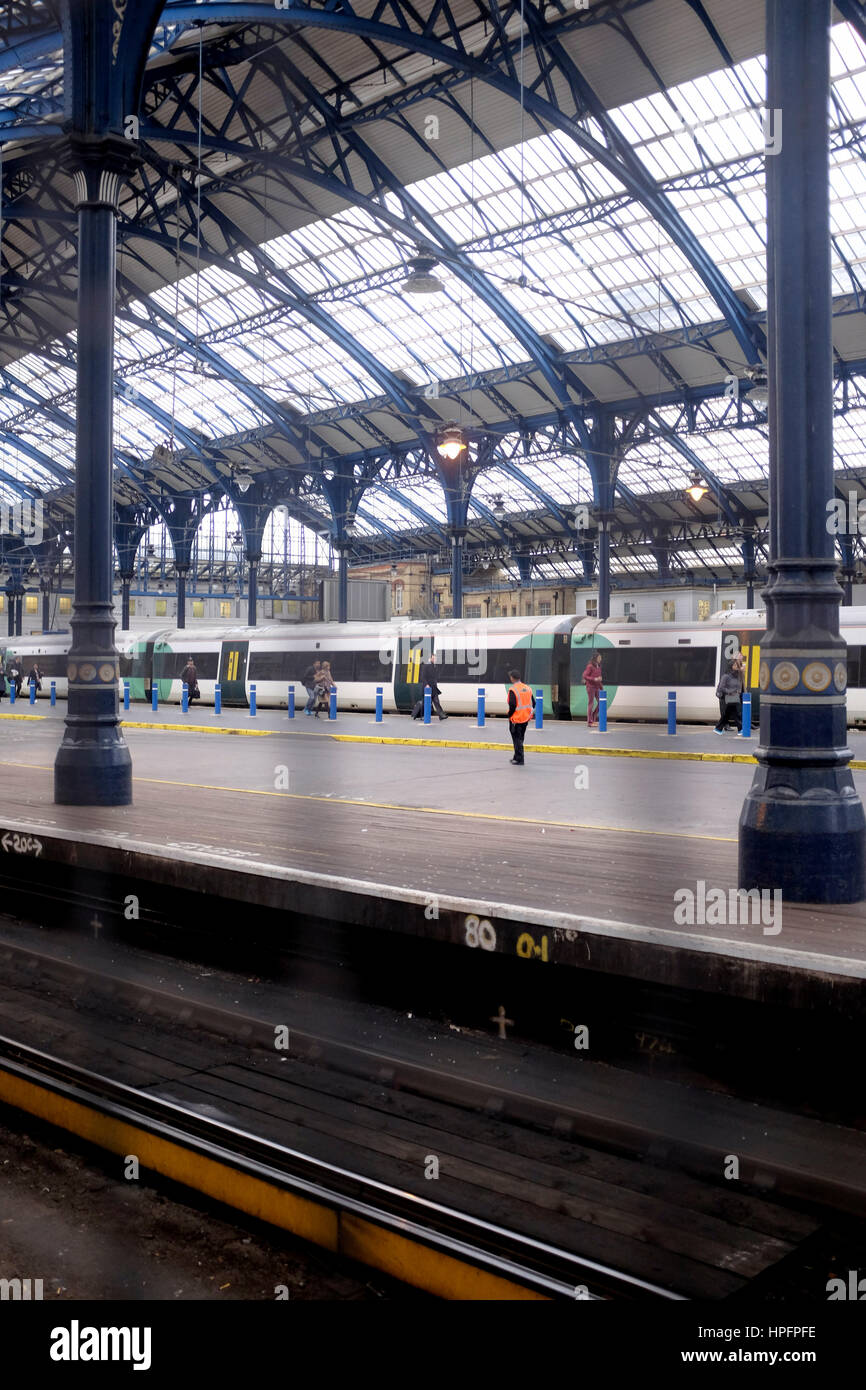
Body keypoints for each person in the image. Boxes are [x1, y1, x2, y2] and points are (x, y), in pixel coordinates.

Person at [506, 667, 533, 765]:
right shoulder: (528, 688)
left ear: (512, 678)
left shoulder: (513, 689)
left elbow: (512, 705)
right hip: (525, 718)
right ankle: (516, 756)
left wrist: (509, 714)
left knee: (517, 739)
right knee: (520, 738)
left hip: (516, 719)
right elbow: (533, 703)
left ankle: (520, 759)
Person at [412, 652, 447, 721]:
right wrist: (426, 685)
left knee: (436, 701)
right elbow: (423, 677)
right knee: (425, 703)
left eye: (435, 658)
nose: (435, 660)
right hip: (427, 688)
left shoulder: (434, 666)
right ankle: (418, 715)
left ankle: (441, 715)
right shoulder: (426, 666)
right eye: (433, 658)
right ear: (430, 658)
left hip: (433, 688)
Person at [715, 662, 742, 734]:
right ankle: (740, 729)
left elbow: (738, 686)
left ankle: (718, 728)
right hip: (726, 697)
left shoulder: (737, 676)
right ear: (731, 666)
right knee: (733, 714)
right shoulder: (726, 676)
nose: (737, 666)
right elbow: (721, 688)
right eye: (735, 665)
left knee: (730, 714)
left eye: (737, 665)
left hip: (733, 697)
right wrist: (730, 692)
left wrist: (737, 692)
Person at [582, 650, 603, 729]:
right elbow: (584, 676)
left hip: (597, 687)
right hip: (590, 687)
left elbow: (599, 679)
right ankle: (589, 722)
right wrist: (594, 679)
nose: (600, 659)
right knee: (591, 703)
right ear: (595, 658)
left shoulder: (598, 666)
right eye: (599, 657)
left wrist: (601, 687)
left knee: (601, 702)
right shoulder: (590, 666)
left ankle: (594, 716)